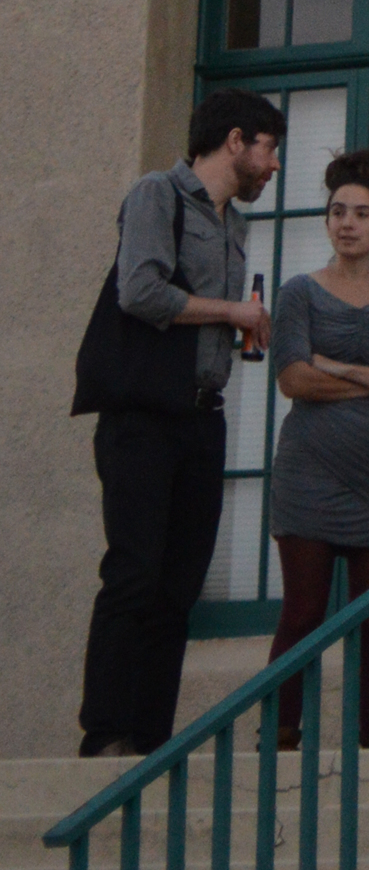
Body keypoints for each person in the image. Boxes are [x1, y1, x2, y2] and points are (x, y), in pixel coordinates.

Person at [74, 92, 285, 758]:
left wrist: (240, 331)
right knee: (134, 573)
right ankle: (104, 735)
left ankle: (148, 742)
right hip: (142, 417)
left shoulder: (233, 225)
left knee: (177, 590)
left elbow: (210, 318)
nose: (274, 164)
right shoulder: (156, 195)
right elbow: (139, 291)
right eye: (269, 147)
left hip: (201, 418)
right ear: (234, 141)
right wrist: (230, 312)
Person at [264, 151, 369, 750]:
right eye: (338, 211)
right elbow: (294, 379)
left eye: (362, 213)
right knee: (304, 611)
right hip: (308, 474)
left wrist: (334, 363)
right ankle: (280, 737)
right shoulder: (298, 295)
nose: (347, 222)